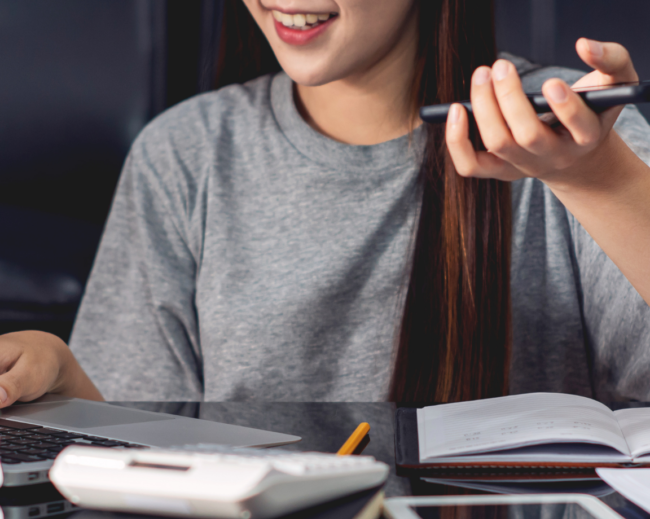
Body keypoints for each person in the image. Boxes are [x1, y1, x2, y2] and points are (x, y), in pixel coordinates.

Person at [1, 0, 650, 406]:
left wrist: (601, 182)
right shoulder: (186, 152)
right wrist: (64, 377)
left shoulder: (570, 133)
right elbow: (141, 442)